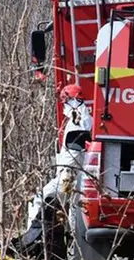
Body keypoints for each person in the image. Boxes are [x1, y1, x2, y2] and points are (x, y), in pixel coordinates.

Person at [26, 84, 93, 229]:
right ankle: (72, 246)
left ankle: (30, 236)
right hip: (80, 179)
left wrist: (66, 178)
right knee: (74, 211)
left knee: (37, 199)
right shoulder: (88, 120)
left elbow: (75, 153)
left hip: (67, 177)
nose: (63, 105)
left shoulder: (77, 123)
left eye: (65, 100)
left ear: (73, 100)